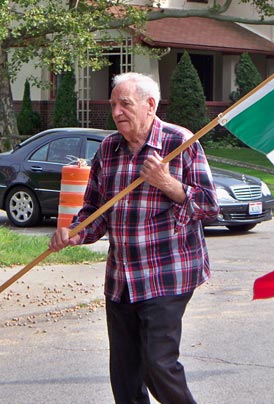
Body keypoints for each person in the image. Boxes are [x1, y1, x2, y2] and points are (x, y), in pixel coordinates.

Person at [49, 72, 220, 404]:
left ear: (150, 105)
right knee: (125, 374)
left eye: (125, 104)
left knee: (158, 365)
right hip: (121, 278)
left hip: (167, 274)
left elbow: (210, 206)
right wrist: (74, 233)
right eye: (113, 104)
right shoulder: (109, 148)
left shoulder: (180, 143)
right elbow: (94, 211)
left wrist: (168, 184)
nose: (116, 112)